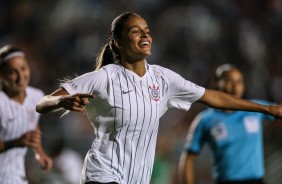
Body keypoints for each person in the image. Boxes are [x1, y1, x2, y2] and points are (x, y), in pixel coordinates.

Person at [35, 12, 282, 184]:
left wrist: (267, 109)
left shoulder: (163, 79)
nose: (145, 35)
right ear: (118, 42)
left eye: (147, 31)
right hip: (103, 175)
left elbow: (212, 97)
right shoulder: (104, 77)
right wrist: (60, 101)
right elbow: (41, 103)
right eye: (135, 31)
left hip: (138, 179)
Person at [178, 64, 278, 184]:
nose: (235, 86)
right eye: (229, 81)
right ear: (216, 83)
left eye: (239, 81)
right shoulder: (205, 120)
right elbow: (188, 159)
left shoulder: (256, 108)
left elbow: (277, 111)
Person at [0, 45, 53, 184]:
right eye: (13, 72)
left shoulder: (36, 96)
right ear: (1, 75)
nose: (20, 77)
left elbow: (32, 124)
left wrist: (40, 154)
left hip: (17, 177)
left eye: (23, 69)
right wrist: (16, 142)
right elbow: (21, 140)